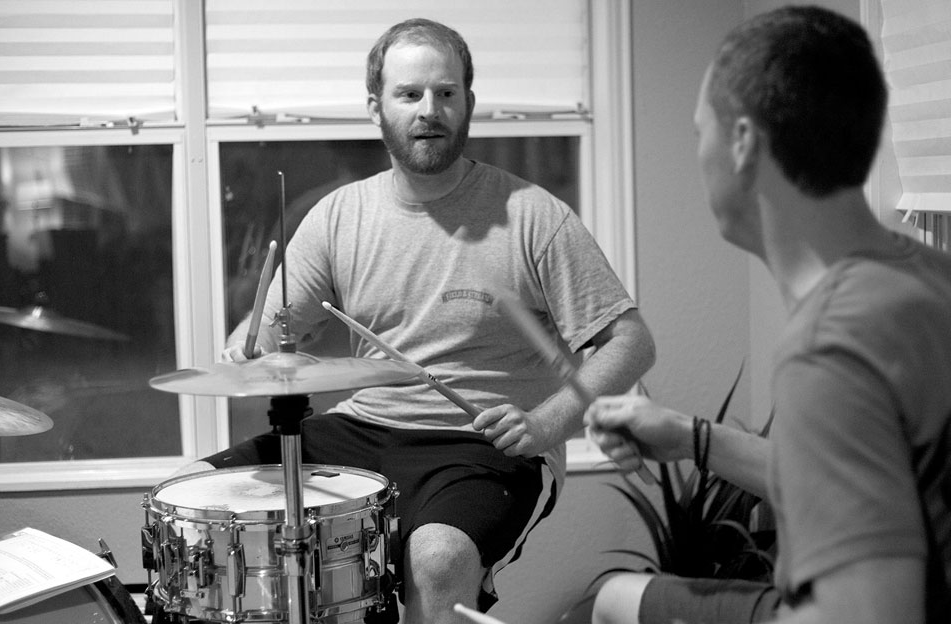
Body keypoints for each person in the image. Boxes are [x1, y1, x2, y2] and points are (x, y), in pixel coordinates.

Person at [184, 18, 656, 624]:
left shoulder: (534, 217)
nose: (429, 110)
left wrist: (545, 424)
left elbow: (631, 342)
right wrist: (242, 352)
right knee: (196, 491)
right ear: (376, 107)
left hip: (483, 444)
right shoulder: (338, 216)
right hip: (364, 428)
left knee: (436, 557)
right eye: (410, 94)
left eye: (446, 93)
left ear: (469, 104)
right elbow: (274, 332)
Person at [585, 6, 951, 624]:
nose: (697, 152)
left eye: (698, 131)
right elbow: (858, 477)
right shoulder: (925, 276)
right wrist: (690, 438)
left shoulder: (831, 343)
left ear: (743, 143)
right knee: (616, 599)